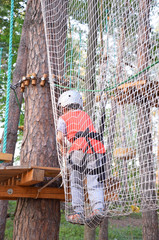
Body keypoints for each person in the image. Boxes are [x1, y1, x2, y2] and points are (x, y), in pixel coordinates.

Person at [57, 90, 106, 227]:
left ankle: (78, 212)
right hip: (96, 150)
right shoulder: (85, 115)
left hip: (78, 150)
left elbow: (60, 137)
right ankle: (98, 209)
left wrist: (63, 149)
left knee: (76, 182)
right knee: (94, 182)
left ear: (64, 107)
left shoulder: (63, 118)